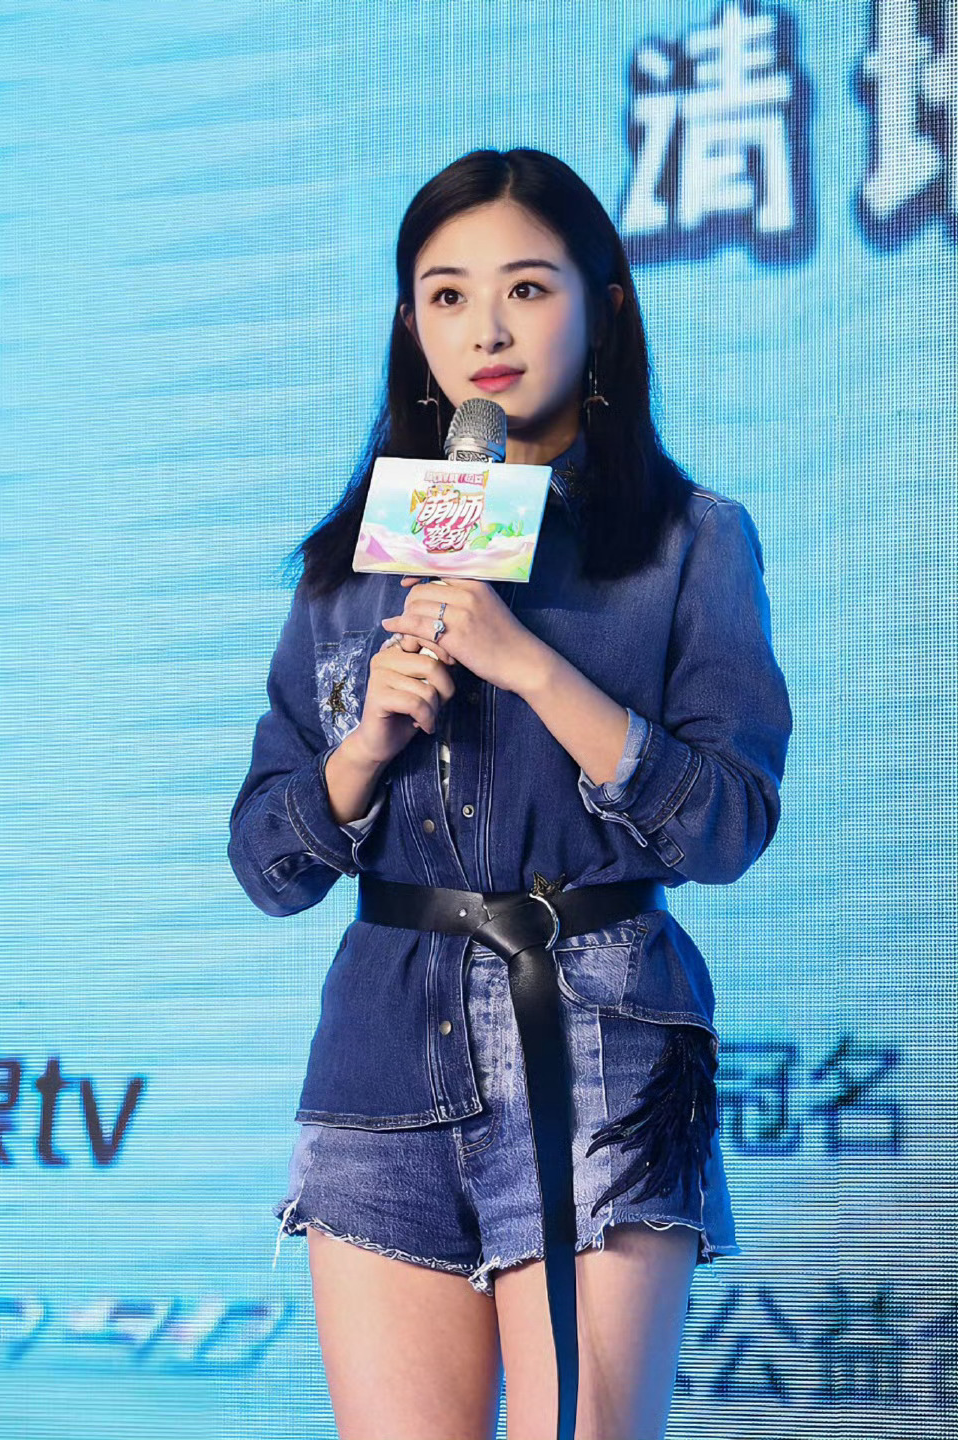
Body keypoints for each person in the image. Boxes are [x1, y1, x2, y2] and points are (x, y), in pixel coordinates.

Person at [227, 147, 793, 1440]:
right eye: (446, 295)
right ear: (410, 325)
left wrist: (533, 666)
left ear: (602, 307)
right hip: (383, 1053)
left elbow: (729, 823)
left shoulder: (691, 541)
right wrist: (362, 749)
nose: (485, 330)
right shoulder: (352, 565)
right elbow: (268, 863)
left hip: (600, 1037)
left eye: (527, 289)